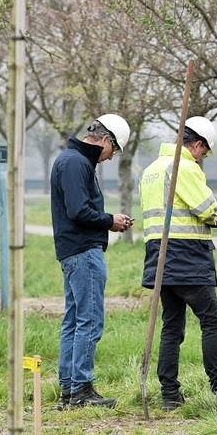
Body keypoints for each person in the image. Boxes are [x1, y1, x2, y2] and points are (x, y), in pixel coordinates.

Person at [139, 116, 217, 410]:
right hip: (188, 256)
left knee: (172, 326)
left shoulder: (151, 170)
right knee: (213, 321)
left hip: (159, 256)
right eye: (205, 151)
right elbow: (208, 211)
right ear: (198, 144)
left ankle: (169, 394)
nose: (204, 157)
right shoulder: (185, 167)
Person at [51, 115, 133, 409]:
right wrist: (110, 221)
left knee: (74, 321)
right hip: (84, 252)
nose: (111, 158)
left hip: (74, 251)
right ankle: (81, 392)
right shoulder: (76, 164)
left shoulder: (71, 160)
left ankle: (70, 390)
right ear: (106, 140)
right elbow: (79, 211)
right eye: (115, 150)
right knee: (89, 320)